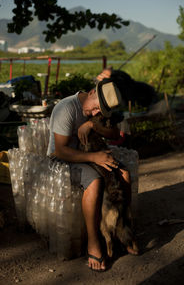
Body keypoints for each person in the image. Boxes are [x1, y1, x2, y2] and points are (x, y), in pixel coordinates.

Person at [47, 68, 126, 271]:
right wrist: (94, 157)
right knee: (94, 179)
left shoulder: (95, 111)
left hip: (89, 155)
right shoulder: (66, 108)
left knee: (123, 172)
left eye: (100, 112)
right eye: (95, 109)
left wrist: (92, 124)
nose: (96, 113)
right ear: (92, 92)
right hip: (62, 160)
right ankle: (94, 241)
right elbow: (60, 151)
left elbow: (115, 133)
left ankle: (122, 229)